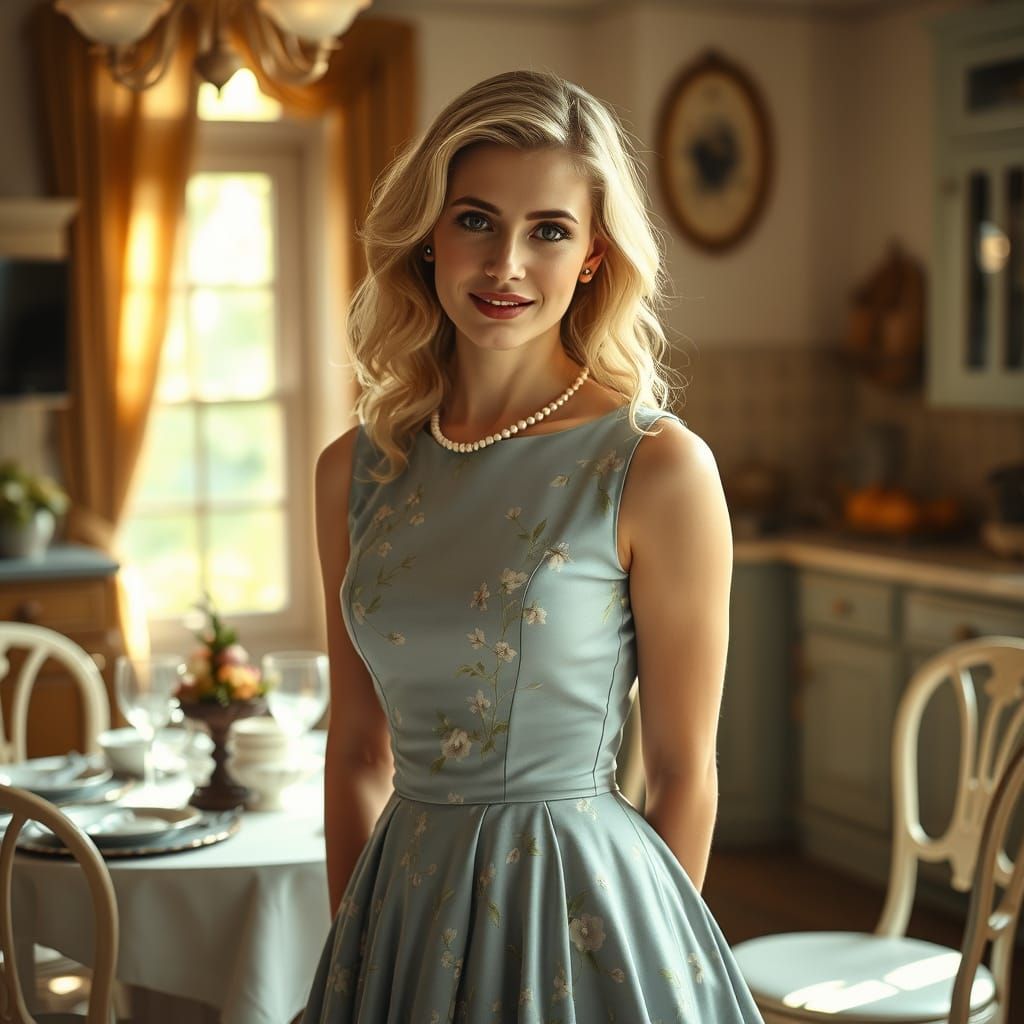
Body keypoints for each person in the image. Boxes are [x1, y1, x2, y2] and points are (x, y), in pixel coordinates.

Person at [302, 69, 763, 1023]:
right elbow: (354, 750)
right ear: (428, 235)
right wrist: (356, 945)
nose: (506, 263)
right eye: (475, 220)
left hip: (586, 916)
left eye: (548, 230)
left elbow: (685, 770)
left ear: (593, 254)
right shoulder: (354, 471)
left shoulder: (657, 468)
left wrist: (646, 964)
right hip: (397, 913)